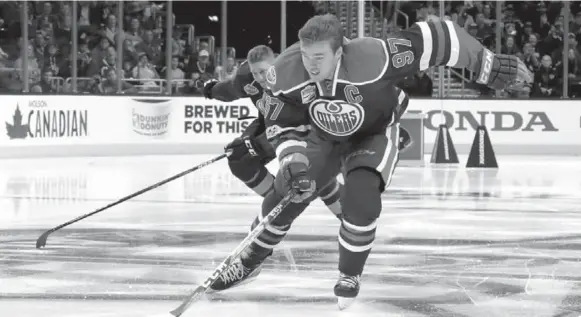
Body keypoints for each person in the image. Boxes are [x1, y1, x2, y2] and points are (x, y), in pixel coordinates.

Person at [209, 14, 532, 309]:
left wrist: (486, 64)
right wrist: (292, 161)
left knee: (362, 199)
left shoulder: (376, 56)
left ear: (340, 52)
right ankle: (249, 260)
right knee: (285, 192)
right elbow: (285, 123)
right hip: (324, 138)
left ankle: (349, 274)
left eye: (319, 57)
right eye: (306, 56)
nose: (310, 65)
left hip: (375, 133)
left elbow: (440, 36)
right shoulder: (286, 71)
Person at [202, 44, 343, 218]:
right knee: (238, 155)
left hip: (302, 128)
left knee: (315, 167)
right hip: (271, 124)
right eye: (256, 73)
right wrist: (211, 90)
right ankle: (281, 204)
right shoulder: (247, 77)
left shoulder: (299, 72)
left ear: (276, 64)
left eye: (264, 71)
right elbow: (231, 88)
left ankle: (345, 212)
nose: (261, 78)